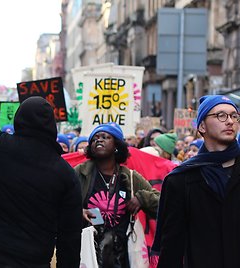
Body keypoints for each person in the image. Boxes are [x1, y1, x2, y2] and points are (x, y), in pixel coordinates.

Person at [0, 58, 82, 267]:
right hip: (33, 261)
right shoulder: (65, 174)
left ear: (19, 119)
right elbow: (70, 235)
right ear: (52, 126)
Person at [154, 95, 240, 267]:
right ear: (202, 126)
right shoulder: (180, 180)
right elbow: (171, 245)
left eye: (234, 116)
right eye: (221, 115)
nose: (229, 121)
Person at [73, 122, 160, 267]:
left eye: (105, 137)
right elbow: (61, 204)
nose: (98, 140)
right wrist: (78, 212)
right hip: (87, 254)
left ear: (116, 146)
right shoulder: (80, 173)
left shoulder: (130, 177)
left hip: (122, 256)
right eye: (95, 138)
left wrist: (142, 198)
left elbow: (162, 203)